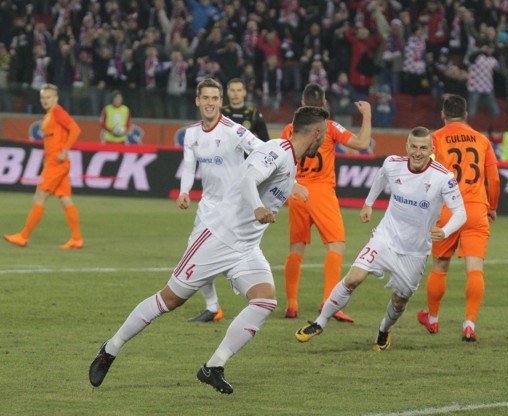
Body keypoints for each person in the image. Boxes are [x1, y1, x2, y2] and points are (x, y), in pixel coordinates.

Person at [89, 105, 329, 394]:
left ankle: (213, 366)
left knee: (265, 301)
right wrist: (258, 208)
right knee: (169, 300)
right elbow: (248, 180)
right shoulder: (278, 149)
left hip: (246, 247)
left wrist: (293, 188)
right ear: (316, 133)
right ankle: (110, 349)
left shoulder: (290, 160)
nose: (325, 140)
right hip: (218, 237)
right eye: (325, 134)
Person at [295, 127, 466, 350]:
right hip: (385, 237)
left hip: (414, 251)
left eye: (423, 148)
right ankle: (320, 322)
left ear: (432, 150)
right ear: (407, 147)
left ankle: (384, 329)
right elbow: (381, 177)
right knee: (353, 278)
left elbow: (461, 212)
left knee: (400, 300)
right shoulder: (392, 163)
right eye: (413, 146)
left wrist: (445, 231)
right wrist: (369, 203)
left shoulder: (443, 177)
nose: (417, 152)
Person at [282, 83, 372, 321]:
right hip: (321, 192)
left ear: (302, 105)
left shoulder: (290, 128)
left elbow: (283, 162)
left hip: (296, 191)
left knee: (296, 249)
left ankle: (291, 304)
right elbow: (362, 144)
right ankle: (329, 302)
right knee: (336, 246)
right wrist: (367, 115)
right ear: (324, 105)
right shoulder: (329, 127)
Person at [416, 94, 500, 342]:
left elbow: (423, 173)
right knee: (475, 269)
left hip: (447, 210)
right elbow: (493, 179)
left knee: (440, 267)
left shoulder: (435, 139)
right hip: (475, 209)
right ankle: (469, 324)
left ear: (443, 115)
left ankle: (432, 320)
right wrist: (492, 206)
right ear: (466, 115)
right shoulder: (482, 140)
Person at [188, 78, 270, 324]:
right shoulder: (196, 132)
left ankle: (259, 297)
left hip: (235, 203)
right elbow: (190, 164)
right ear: (198, 100)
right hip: (209, 204)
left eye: (215, 98)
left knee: (237, 253)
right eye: (206, 98)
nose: (210, 103)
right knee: (196, 250)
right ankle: (213, 307)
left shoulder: (241, 124)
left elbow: (265, 147)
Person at [3, 83, 83, 249]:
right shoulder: (49, 116)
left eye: (48, 97)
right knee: (65, 199)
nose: (45, 100)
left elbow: (75, 129)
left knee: (39, 197)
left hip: (57, 163)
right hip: (54, 162)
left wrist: (64, 150)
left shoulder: (58, 112)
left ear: (56, 98)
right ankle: (76, 239)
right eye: (43, 98)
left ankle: (23, 236)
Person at [220, 78, 270, 142]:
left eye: (239, 90)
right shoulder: (220, 112)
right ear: (227, 92)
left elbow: (265, 140)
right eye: (232, 90)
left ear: (244, 92)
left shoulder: (253, 113)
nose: (235, 94)